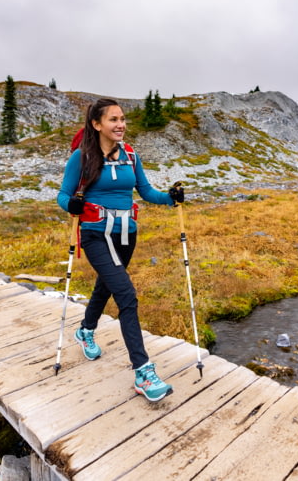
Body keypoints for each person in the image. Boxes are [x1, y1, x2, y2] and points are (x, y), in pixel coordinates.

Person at [57, 98, 185, 402]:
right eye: (114, 119)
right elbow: (63, 195)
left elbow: (146, 191)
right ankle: (143, 372)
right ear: (97, 124)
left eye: (123, 119)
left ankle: (86, 330)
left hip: (127, 235)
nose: (121, 125)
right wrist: (71, 204)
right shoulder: (81, 157)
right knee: (126, 294)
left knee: (106, 285)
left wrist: (170, 197)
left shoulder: (131, 155)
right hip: (95, 235)